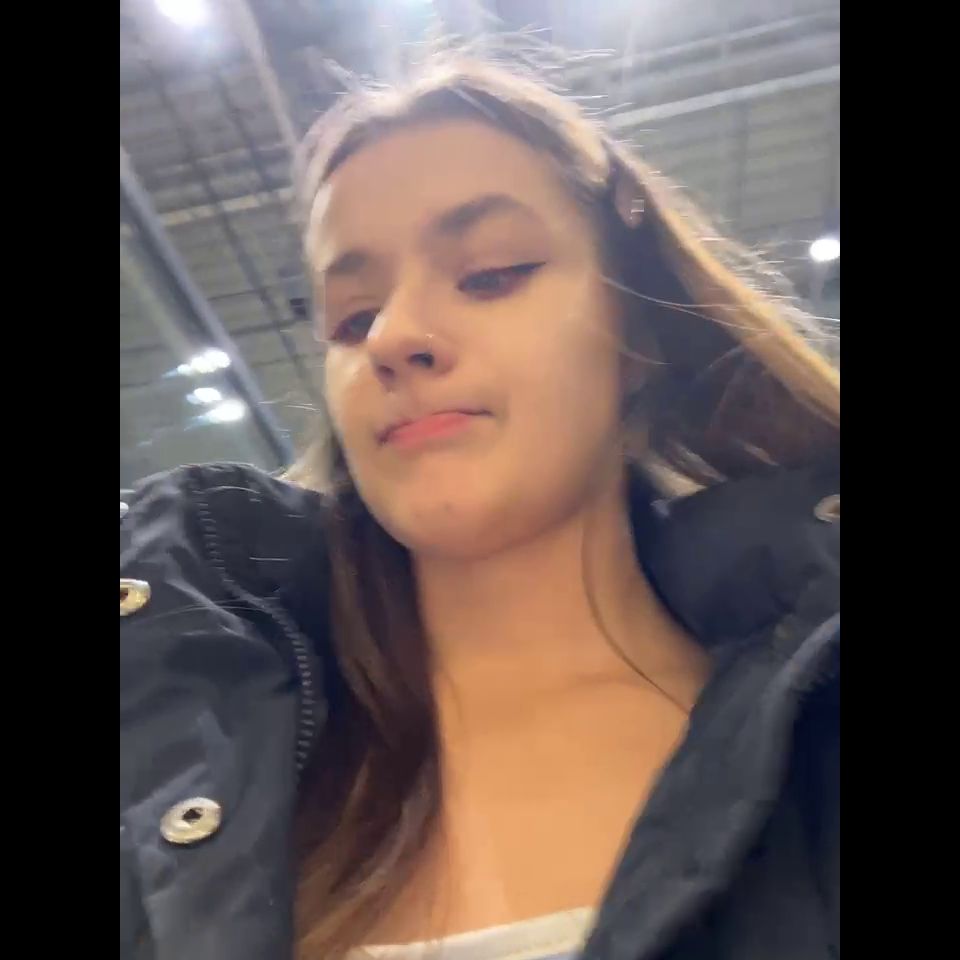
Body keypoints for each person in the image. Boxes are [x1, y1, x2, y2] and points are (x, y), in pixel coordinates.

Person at [120, 57, 840, 960]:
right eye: (353, 317)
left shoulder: (816, 729)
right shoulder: (176, 762)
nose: (393, 337)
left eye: (491, 275)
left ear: (638, 335)